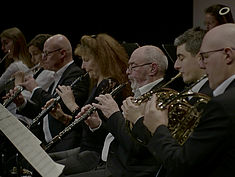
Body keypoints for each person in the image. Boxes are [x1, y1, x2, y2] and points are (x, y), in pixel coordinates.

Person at [142, 23, 235, 177]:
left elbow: (181, 165)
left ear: (227, 55)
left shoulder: (223, 105)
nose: (202, 65)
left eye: (205, 57)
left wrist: (158, 127)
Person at [65, 45, 169, 177]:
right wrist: (97, 125)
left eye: (133, 66)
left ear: (152, 69)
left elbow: (137, 147)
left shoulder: (159, 99)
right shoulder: (139, 94)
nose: (127, 72)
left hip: (124, 171)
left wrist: (114, 114)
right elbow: (116, 137)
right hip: (108, 163)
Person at [44, 33, 131, 175]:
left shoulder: (109, 85)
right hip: (85, 148)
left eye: (86, 60)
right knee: (39, 163)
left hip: (96, 154)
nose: (83, 66)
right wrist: (63, 117)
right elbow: (87, 128)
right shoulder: (98, 83)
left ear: (101, 60)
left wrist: (72, 104)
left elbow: (102, 131)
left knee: (48, 170)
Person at [13, 34, 90, 152]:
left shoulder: (76, 75)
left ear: (62, 54)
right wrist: (22, 103)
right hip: (47, 142)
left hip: (64, 144)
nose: (43, 58)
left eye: (47, 53)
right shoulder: (57, 76)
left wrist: (35, 89)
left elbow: (59, 108)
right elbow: (43, 112)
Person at [174, 26, 213, 97]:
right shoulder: (192, 91)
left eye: (181, 58)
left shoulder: (210, 95)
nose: (176, 66)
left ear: (201, 58)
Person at [0, 27, 33, 102]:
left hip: (15, 109)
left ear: (16, 42)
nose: (2, 48)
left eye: (6, 43)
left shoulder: (15, 66)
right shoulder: (27, 63)